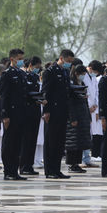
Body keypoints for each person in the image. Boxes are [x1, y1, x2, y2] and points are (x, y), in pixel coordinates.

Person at [42, 50, 74, 179]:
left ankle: (57, 169)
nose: (70, 64)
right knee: (51, 141)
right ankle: (49, 170)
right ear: (61, 58)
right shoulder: (50, 71)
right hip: (53, 111)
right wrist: (46, 111)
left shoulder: (65, 72)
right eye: (68, 61)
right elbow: (46, 92)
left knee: (60, 142)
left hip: (63, 110)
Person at [0, 49, 29, 181]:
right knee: (9, 143)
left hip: (20, 113)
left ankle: (15, 171)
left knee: (17, 144)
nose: (21, 60)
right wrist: (5, 115)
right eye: (19, 58)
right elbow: (4, 96)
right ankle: (8, 171)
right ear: (12, 59)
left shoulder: (21, 73)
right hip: (10, 114)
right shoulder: (7, 74)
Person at [65, 65, 93, 174]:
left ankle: (77, 163)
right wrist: (72, 117)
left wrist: (88, 116)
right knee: (73, 141)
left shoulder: (81, 84)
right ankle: (72, 164)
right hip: (75, 116)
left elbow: (85, 101)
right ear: (76, 73)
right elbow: (70, 103)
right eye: (82, 74)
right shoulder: (71, 84)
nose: (83, 76)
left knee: (80, 141)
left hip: (83, 115)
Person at [19, 57, 43, 175]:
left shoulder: (35, 77)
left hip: (35, 110)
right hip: (26, 111)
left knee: (33, 140)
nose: (37, 70)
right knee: (26, 140)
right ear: (30, 65)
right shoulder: (24, 76)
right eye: (36, 67)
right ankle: (23, 166)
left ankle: (29, 165)